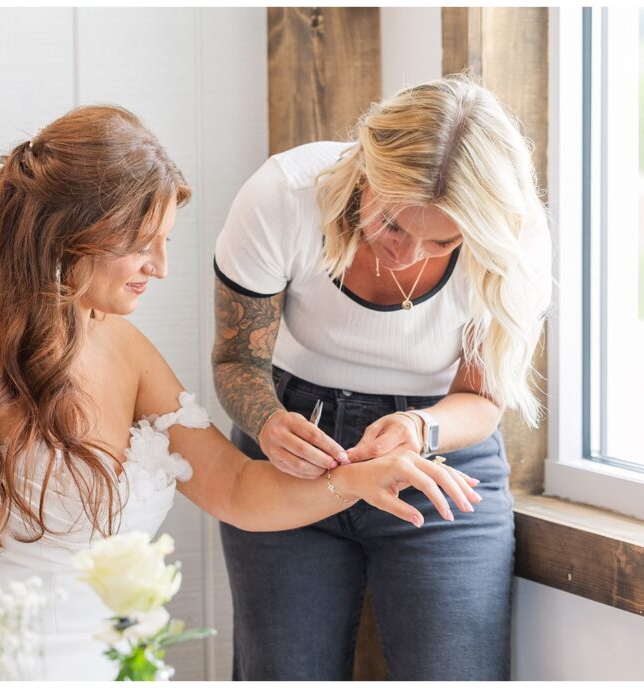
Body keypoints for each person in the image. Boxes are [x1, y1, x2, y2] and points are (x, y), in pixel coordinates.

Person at [0, 104, 481, 681]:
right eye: (139, 245)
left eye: (166, 242)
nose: (160, 267)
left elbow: (234, 487)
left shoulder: (120, 344)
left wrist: (360, 479)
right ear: (67, 234)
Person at [212, 75, 552, 681]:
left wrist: (420, 428)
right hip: (295, 440)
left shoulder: (512, 240)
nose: (410, 254)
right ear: (365, 172)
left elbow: (479, 398)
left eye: (443, 240)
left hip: (438, 458)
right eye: (393, 224)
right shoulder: (286, 195)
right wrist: (266, 423)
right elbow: (237, 360)